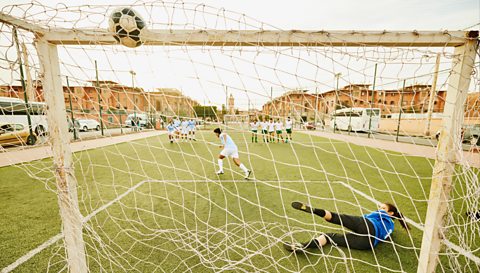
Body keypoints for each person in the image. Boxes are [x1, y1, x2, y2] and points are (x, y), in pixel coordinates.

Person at [283, 201, 409, 252]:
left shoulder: (381, 214)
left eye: (383, 208)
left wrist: (356, 222)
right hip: (368, 244)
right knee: (329, 237)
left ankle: (315, 210)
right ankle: (300, 246)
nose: (380, 209)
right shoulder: (391, 228)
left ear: (391, 213)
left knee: (336, 217)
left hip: (367, 225)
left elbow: (365, 217)